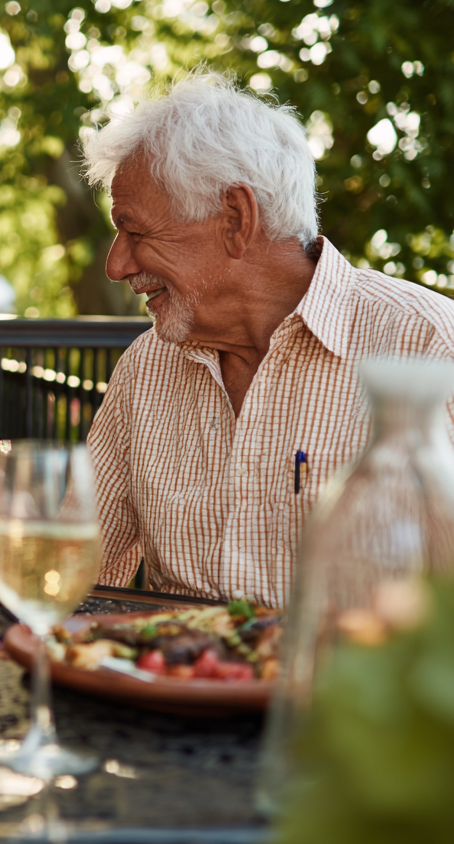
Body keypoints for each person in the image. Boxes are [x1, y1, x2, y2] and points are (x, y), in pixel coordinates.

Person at [81, 72, 454, 609]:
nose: (117, 265)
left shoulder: (429, 347)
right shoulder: (149, 365)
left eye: (135, 232)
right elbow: (75, 565)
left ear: (237, 217)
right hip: (175, 684)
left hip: (348, 688)